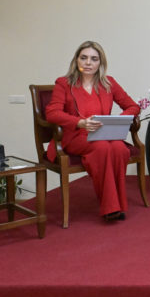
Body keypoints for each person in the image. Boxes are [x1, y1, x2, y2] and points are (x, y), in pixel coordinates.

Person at [45, 41, 140, 221]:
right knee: (102, 148)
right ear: (77, 60)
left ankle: (118, 205)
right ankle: (111, 208)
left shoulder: (109, 83)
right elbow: (52, 113)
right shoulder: (64, 83)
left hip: (105, 134)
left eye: (94, 59)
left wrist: (118, 120)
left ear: (100, 63)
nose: (88, 63)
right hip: (76, 136)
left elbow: (133, 106)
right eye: (84, 58)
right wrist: (79, 122)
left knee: (119, 148)